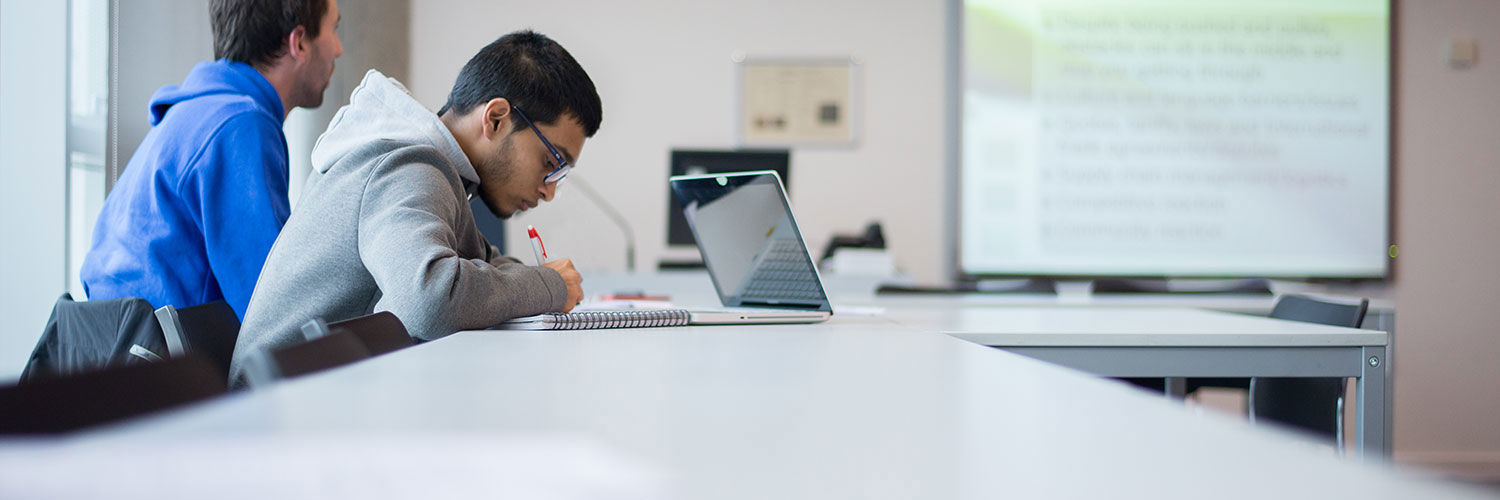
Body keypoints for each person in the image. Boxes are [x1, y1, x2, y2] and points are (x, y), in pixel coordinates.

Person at [228, 31, 599, 386]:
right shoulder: (407, 165)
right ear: (496, 118)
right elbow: (430, 299)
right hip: (275, 417)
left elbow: (481, 260)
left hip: (318, 397)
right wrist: (548, 285)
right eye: (552, 162)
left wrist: (539, 282)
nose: (549, 191)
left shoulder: (441, 173)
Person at [80, 0, 343, 320]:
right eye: (334, 28)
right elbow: (275, 314)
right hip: (168, 364)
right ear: (299, 42)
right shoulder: (239, 126)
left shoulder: (195, 113)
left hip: (121, 353)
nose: (339, 49)